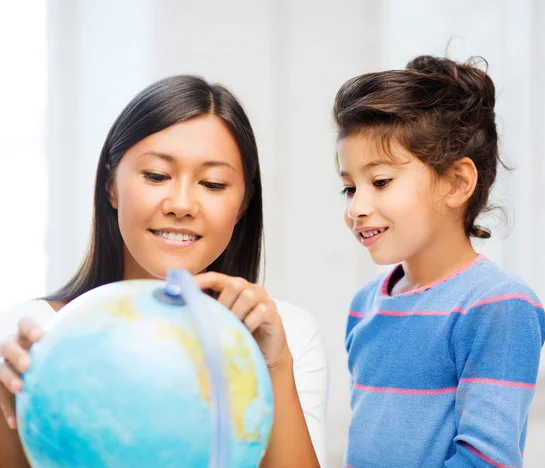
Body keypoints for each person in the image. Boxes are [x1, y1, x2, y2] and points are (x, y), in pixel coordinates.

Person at [0, 75, 327, 467]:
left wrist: (274, 366)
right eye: (156, 176)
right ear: (111, 185)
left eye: (213, 183)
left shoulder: (284, 335)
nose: (182, 203)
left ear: (243, 205)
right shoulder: (31, 335)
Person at [334, 55, 545, 467]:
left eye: (380, 182)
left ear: (457, 182)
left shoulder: (498, 305)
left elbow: (486, 460)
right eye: (348, 188)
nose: (356, 207)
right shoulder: (364, 305)